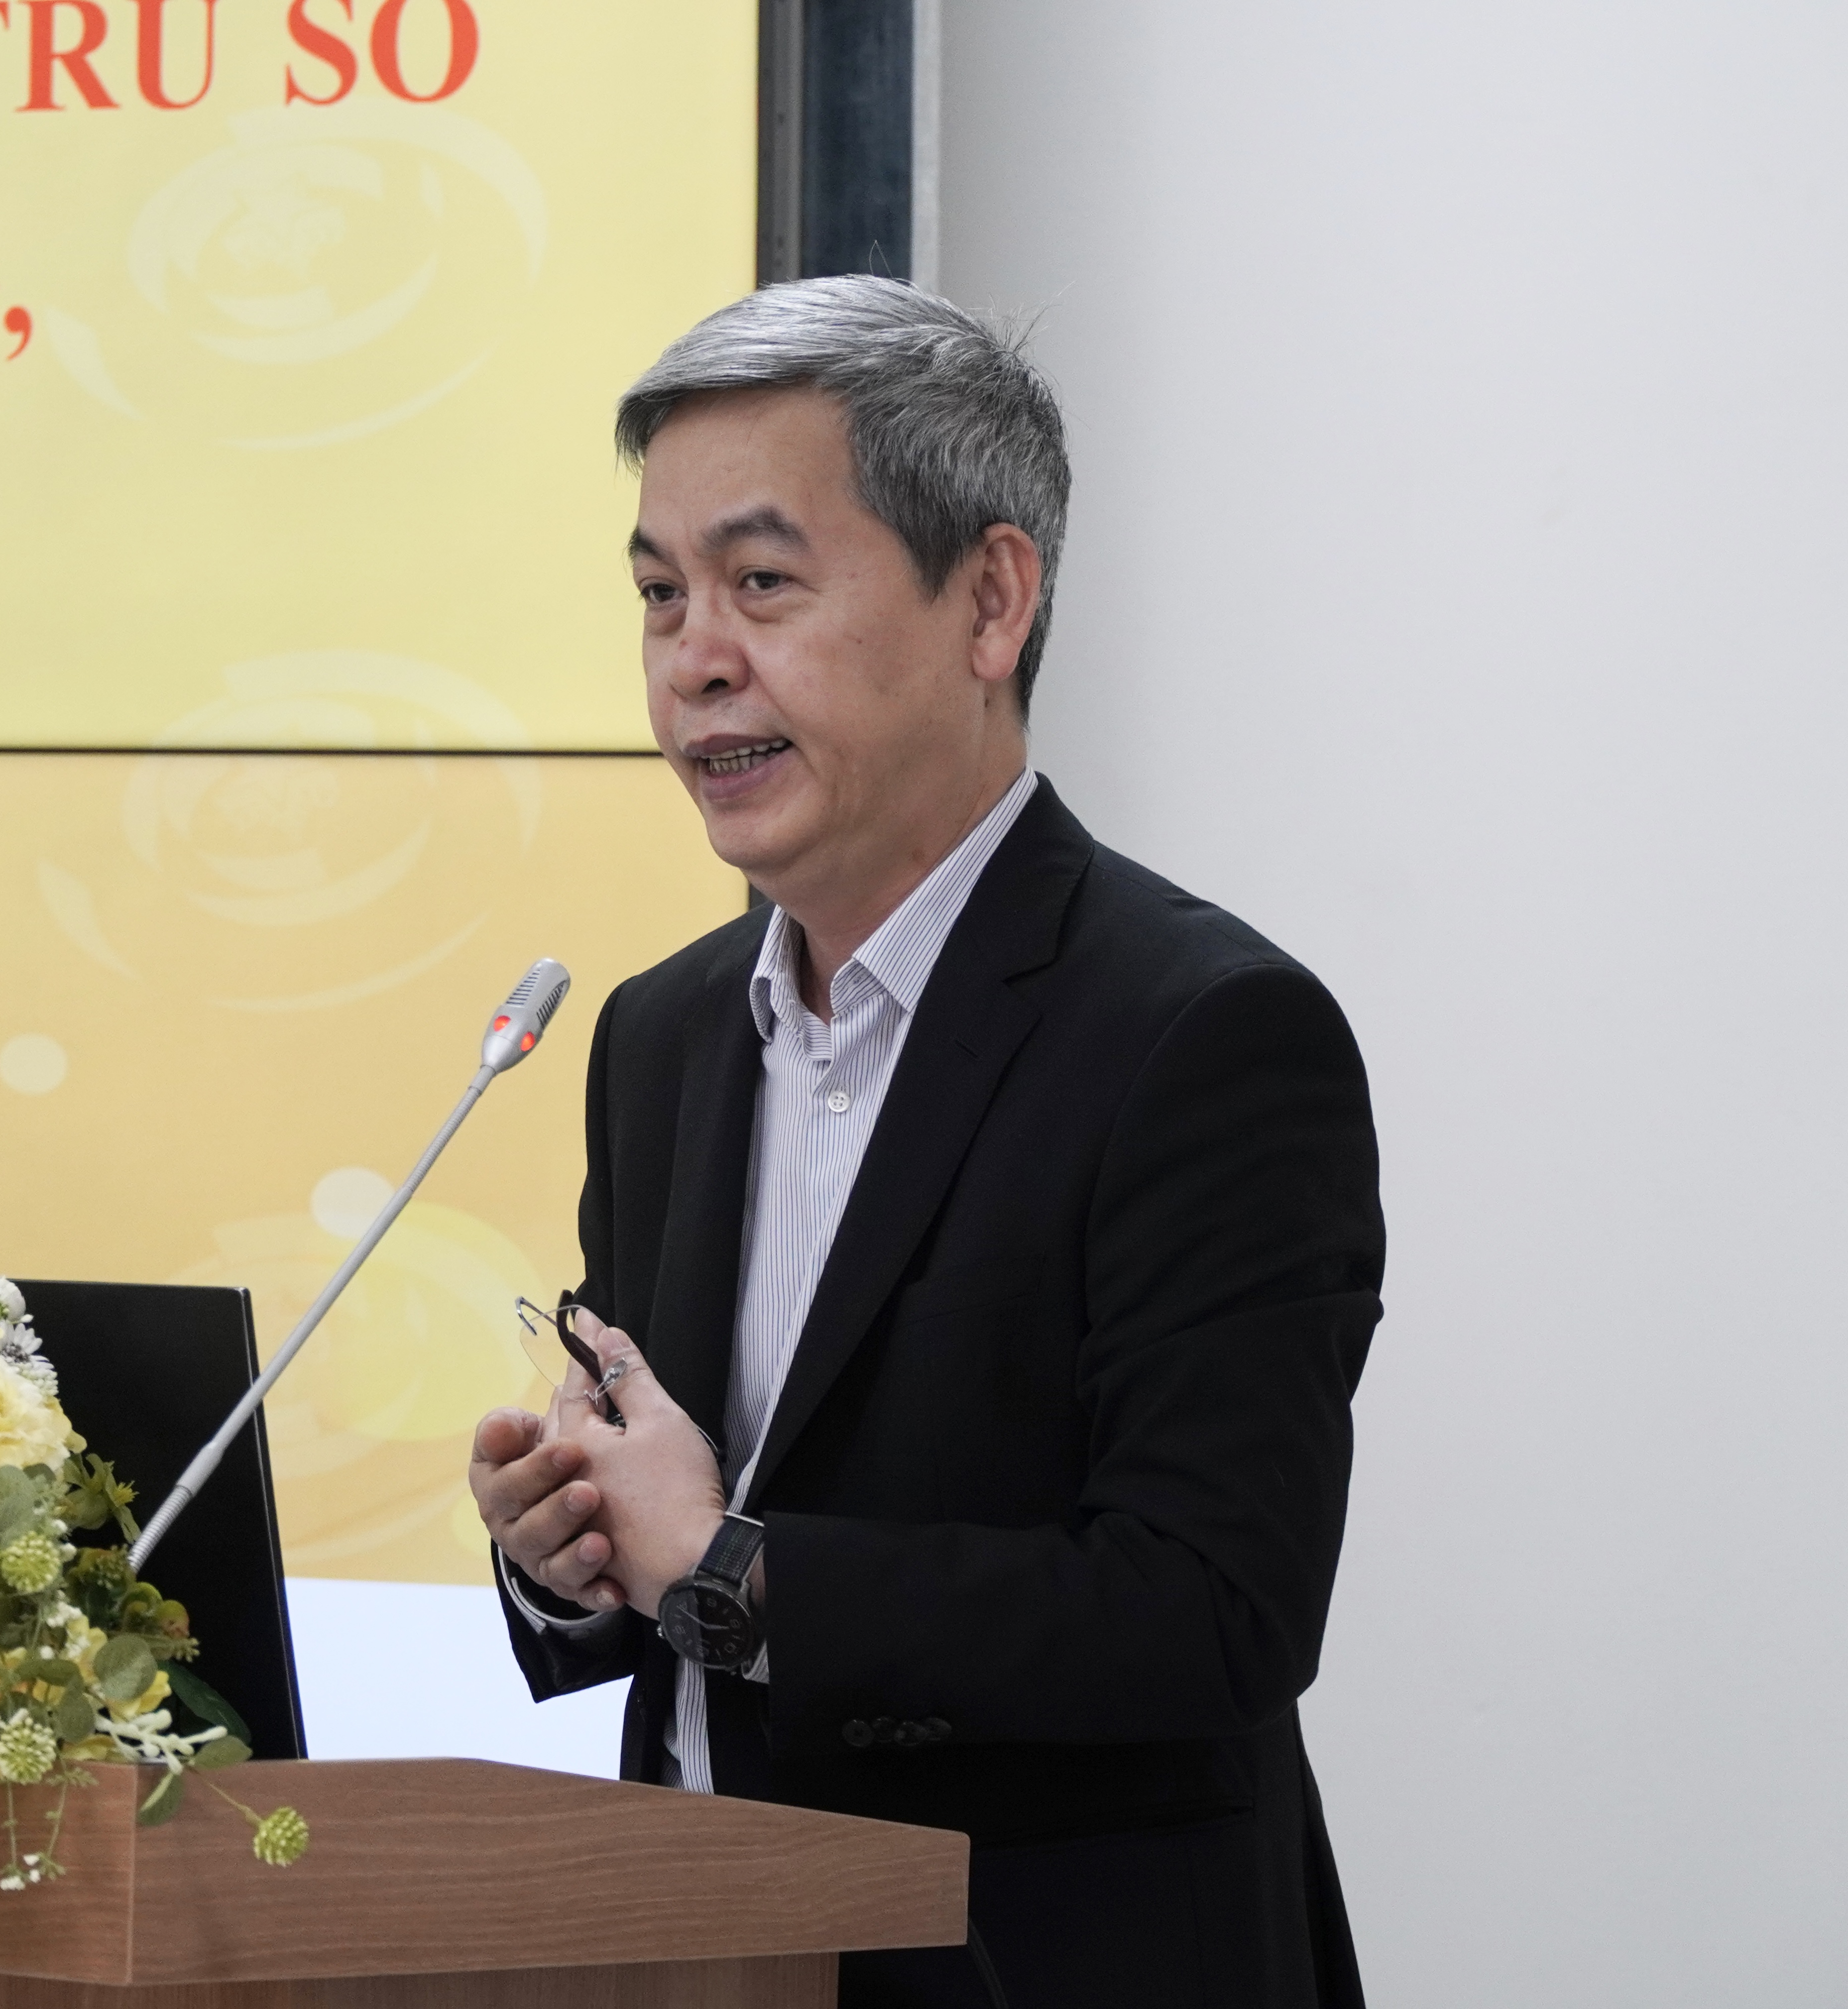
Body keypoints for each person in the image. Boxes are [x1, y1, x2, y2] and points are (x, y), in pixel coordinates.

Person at [466, 275, 1383, 2009]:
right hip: (694, 1959)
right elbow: (668, 1537)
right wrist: (573, 1552)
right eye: (660, 595)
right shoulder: (660, 1038)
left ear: (990, 602)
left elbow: (1214, 1611)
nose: (694, 658)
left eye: (761, 583)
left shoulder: (1202, 1035)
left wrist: (731, 1571)